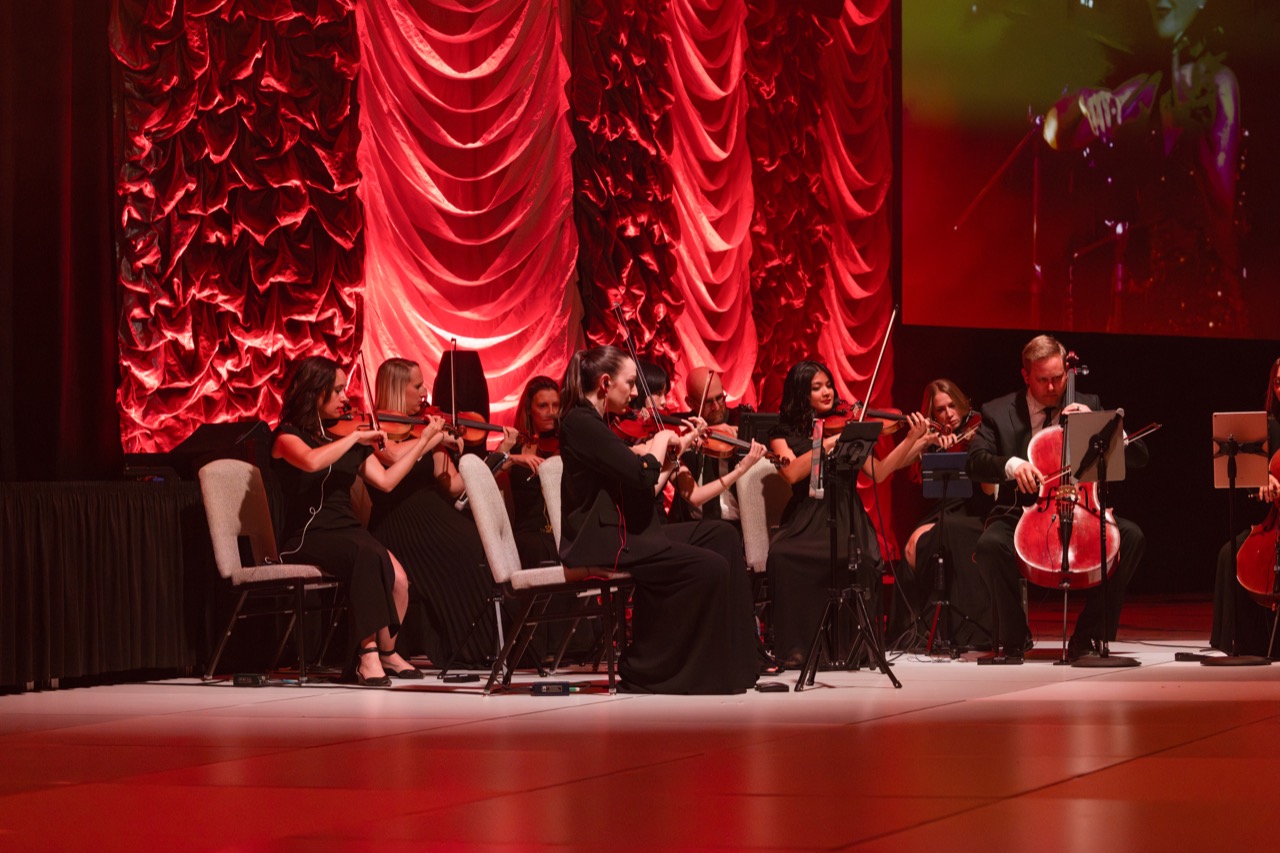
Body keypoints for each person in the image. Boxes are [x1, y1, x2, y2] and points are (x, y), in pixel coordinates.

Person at [557, 345, 758, 694]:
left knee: (721, 536)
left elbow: (643, 480)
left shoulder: (598, 423)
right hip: (604, 540)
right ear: (605, 383)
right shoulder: (580, 423)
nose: (636, 393)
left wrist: (678, 446)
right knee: (708, 567)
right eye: (630, 383)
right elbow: (640, 473)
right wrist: (662, 439)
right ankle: (654, 669)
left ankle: (738, 661)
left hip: (628, 530)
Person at [1041, 0, 1243, 334]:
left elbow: (1223, 214)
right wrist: (1085, 99)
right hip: (1152, 308)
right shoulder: (1146, 87)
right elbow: (1054, 133)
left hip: (1208, 306)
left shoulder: (1221, 84)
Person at [966, 335, 1148, 660]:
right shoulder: (998, 411)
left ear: (1067, 372)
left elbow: (1139, 456)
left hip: (1082, 508)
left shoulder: (1088, 402)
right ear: (1025, 376)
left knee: (1130, 538)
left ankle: (1088, 637)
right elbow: (975, 462)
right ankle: (1014, 637)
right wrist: (1012, 465)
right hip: (1024, 511)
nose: (1052, 387)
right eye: (1042, 380)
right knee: (990, 546)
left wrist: (1101, 425)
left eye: (1058, 378)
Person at [271, 356, 434, 686]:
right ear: (315, 393)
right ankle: (367, 654)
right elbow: (312, 462)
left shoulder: (343, 437)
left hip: (346, 528)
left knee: (400, 580)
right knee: (367, 556)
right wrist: (355, 439)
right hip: (308, 534)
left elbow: (386, 481)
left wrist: (425, 442)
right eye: (337, 390)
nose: (345, 398)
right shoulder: (286, 437)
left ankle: (387, 652)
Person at [765, 360, 931, 668]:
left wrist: (911, 441)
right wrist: (829, 441)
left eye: (828, 385)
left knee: (860, 560)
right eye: (817, 388)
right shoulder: (781, 433)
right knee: (782, 556)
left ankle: (851, 647)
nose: (827, 392)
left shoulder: (848, 427)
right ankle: (799, 649)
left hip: (845, 513)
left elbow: (878, 472)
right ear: (801, 394)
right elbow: (791, 473)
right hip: (806, 515)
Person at [366, 357, 500, 669]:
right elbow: (391, 457)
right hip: (398, 521)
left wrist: (489, 460)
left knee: (477, 545)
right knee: (463, 548)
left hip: (430, 515)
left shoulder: (424, 428)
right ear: (398, 389)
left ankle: (483, 645)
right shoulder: (375, 429)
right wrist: (433, 438)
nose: (424, 392)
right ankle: (463, 646)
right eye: (417, 386)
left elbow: (452, 486)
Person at [896, 379, 995, 650]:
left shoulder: (982, 427)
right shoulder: (935, 437)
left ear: (962, 403)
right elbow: (905, 466)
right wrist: (926, 441)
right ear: (932, 414)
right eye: (940, 410)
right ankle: (919, 628)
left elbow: (988, 487)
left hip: (976, 509)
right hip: (946, 507)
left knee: (945, 532)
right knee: (912, 546)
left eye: (952, 405)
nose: (949, 414)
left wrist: (976, 448)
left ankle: (954, 627)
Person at [1210, 357, 1280, 656]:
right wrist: (1262, 478)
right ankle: (1236, 643)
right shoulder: (1267, 427)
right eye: (1278, 382)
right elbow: (1250, 473)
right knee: (1230, 554)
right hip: (1274, 521)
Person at [667, 366, 770, 525]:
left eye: (720, 398)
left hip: (739, 524)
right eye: (708, 402)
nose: (716, 407)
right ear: (690, 403)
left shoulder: (742, 420)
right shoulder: (682, 426)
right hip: (691, 523)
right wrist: (711, 430)